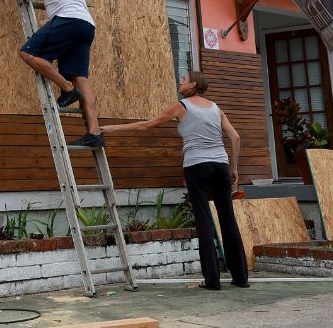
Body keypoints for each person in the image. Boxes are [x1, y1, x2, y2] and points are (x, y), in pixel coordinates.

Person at [99, 70, 250, 289]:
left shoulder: (182, 106)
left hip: (197, 166)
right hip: (221, 166)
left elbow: (147, 125)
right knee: (228, 220)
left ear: (193, 85)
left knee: (204, 220)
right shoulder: (216, 108)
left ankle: (213, 281)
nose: (180, 82)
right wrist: (233, 168)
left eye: (184, 80)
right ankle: (241, 279)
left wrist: (114, 128)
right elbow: (235, 137)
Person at [0, 0, 105, 147]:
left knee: (28, 53)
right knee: (81, 78)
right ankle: (94, 132)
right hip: (86, 24)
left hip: (69, 18)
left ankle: (67, 88)